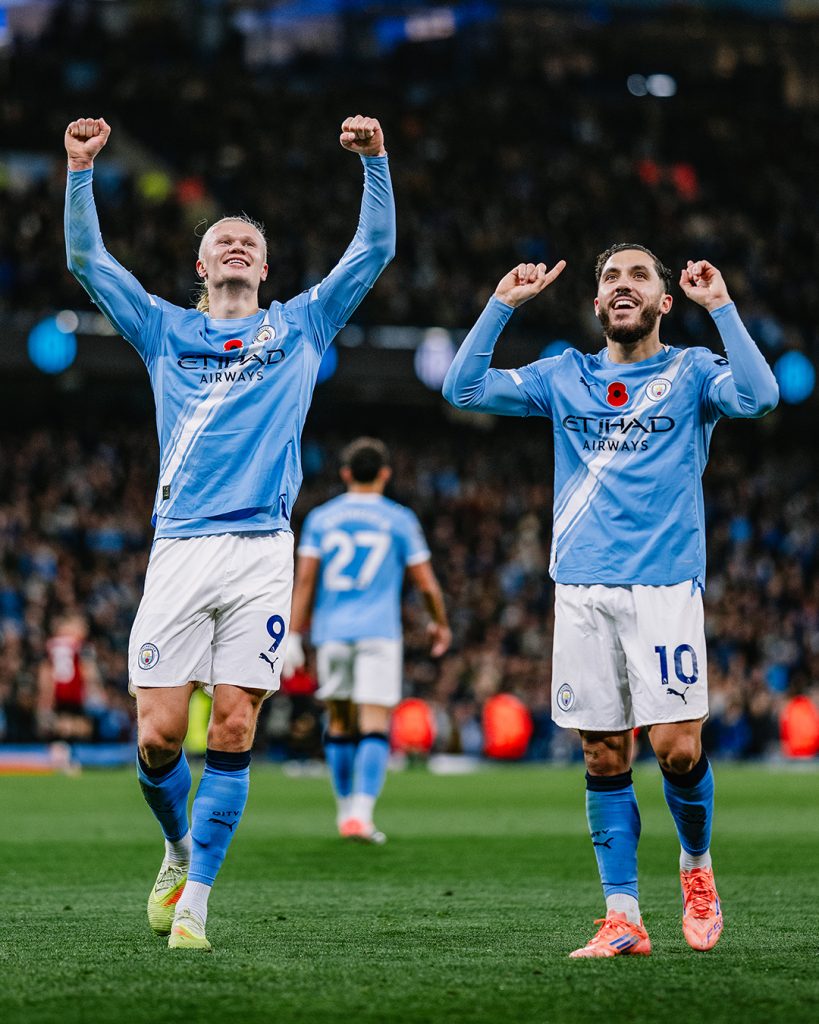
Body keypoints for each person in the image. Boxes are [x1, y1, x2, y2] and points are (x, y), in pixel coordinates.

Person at [64, 114, 395, 951]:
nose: (237, 246)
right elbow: (87, 262)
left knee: (236, 728)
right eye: (223, 241)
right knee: (157, 737)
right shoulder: (163, 329)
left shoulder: (301, 326)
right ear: (202, 267)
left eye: (250, 241)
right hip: (179, 547)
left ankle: (198, 905)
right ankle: (177, 849)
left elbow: (373, 251)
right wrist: (80, 171)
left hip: (260, 552)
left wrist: (375, 162)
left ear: (266, 268)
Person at [442, 245, 778, 957]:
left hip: (665, 585)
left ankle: (695, 866)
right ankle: (622, 917)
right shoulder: (564, 375)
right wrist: (502, 304)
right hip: (582, 587)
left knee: (677, 749)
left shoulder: (692, 372)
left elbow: (760, 397)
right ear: (597, 304)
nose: (622, 285)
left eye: (638, 276)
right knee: (602, 754)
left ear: (663, 302)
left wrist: (721, 307)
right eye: (610, 278)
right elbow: (461, 390)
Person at [284, 437, 451, 842]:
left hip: (331, 634)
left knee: (340, 723)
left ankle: (345, 812)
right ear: (385, 474)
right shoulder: (399, 519)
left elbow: (305, 580)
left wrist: (292, 632)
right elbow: (426, 584)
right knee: (375, 722)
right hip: (378, 633)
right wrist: (439, 623)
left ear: (345, 474)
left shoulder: (322, 518)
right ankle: (362, 813)